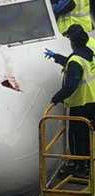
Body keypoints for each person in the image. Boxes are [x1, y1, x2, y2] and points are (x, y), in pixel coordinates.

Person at [44, 26, 95, 177]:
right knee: (86, 134)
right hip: (92, 101)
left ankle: (79, 167)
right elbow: (73, 65)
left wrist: (55, 99)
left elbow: (71, 85)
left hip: (80, 104)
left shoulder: (76, 60)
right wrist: (57, 57)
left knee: (76, 136)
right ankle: (87, 163)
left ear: (72, 43)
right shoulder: (89, 54)